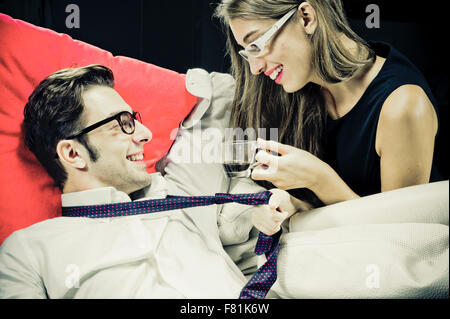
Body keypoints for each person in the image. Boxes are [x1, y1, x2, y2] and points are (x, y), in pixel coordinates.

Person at [0, 64, 303, 298]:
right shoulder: (28, 251)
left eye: (135, 118)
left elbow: (226, 93)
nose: (145, 134)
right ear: (72, 153)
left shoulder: (182, 191)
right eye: (123, 124)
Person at [214, 0, 443, 223]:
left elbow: (402, 240)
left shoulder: (403, 106)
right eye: (248, 53)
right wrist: (292, 204)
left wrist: (320, 180)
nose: (255, 68)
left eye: (256, 44)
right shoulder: (297, 88)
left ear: (307, 17)